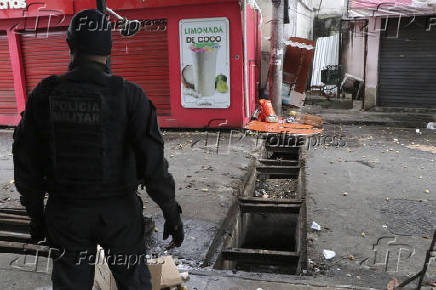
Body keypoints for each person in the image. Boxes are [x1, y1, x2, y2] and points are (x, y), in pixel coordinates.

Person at [12, 9, 183, 290]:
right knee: (134, 284)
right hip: (119, 215)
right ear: (109, 47)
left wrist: (36, 215)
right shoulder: (130, 96)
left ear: (70, 44)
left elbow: (25, 162)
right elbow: (154, 166)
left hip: (67, 215)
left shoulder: (44, 94)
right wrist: (171, 214)